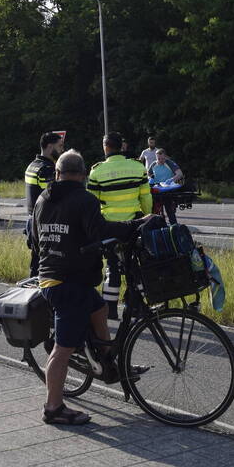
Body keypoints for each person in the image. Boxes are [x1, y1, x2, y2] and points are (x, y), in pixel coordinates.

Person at [31, 149, 149, 425]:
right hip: (67, 285)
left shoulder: (43, 199)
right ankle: (53, 408)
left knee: (98, 311)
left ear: (57, 174)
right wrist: (134, 225)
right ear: (83, 175)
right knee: (63, 349)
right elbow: (101, 231)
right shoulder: (85, 199)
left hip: (53, 278)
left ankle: (109, 363)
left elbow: (36, 241)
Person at [87, 132, 152, 319]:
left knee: (112, 267)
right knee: (134, 266)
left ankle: (111, 309)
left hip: (109, 228)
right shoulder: (137, 167)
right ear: (122, 147)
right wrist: (145, 217)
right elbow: (146, 197)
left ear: (105, 147)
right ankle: (138, 306)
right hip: (133, 226)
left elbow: (92, 203)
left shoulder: (97, 172)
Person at [24, 132, 64, 277]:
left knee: (35, 264)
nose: (62, 150)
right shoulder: (47, 170)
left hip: (32, 221)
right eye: (59, 146)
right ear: (49, 146)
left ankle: (32, 295)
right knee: (47, 266)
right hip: (45, 224)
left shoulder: (32, 165)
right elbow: (53, 198)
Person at [149, 148, 184, 225]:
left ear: (165, 157)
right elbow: (149, 175)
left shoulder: (170, 163)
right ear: (156, 157)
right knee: (154, 210)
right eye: (159, 158)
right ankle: (157, 227)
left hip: (168, 189)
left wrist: (172, 179)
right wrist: (151, 179)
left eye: (162, 158)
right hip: (157, 189)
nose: (161, 160)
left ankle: (174, 227)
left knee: (169, 210)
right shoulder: (153, 164)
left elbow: (180, 174)